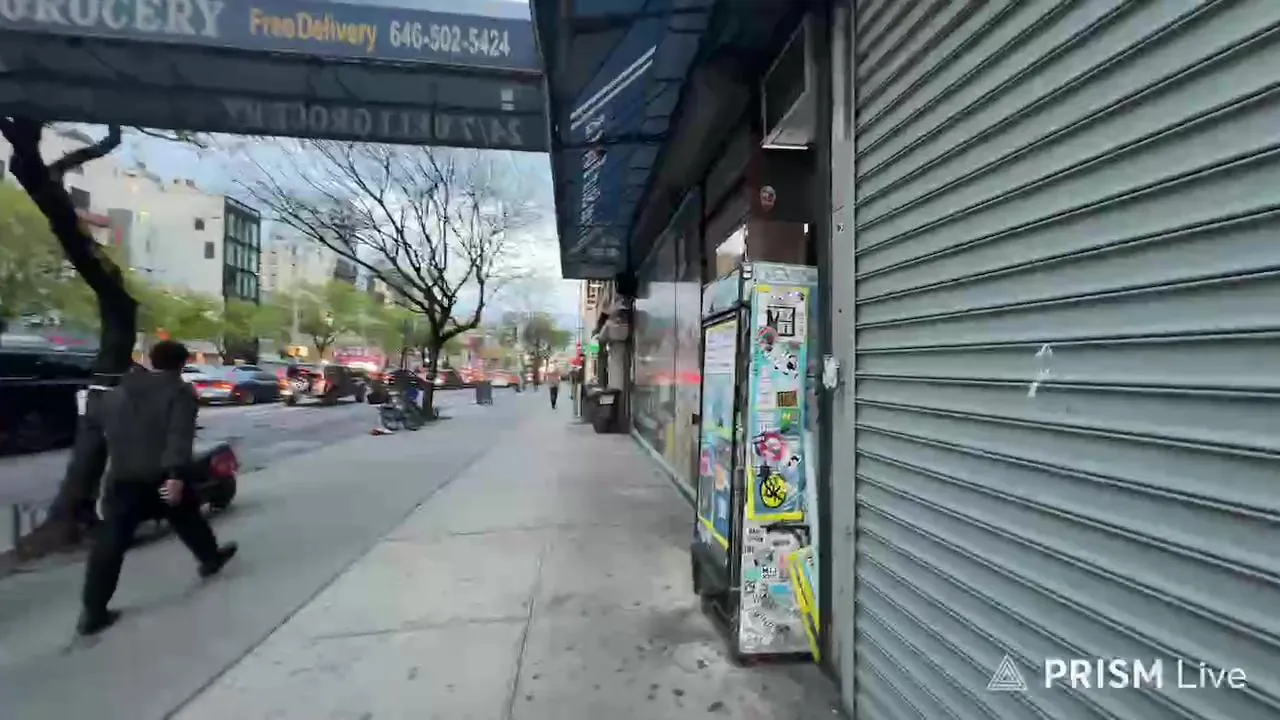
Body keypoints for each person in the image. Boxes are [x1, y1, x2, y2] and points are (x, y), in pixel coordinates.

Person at [77, 340, 238, 636]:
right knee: (185, 512)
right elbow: (179, 435)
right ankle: (210, 558)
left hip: (123, 477)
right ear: (182, 364)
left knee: (112, 542)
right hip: (161, 474)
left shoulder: (118, 392)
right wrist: (175, 475)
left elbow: (95, 420)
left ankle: (93, 611)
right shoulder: (179, 392)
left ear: (151, 361)